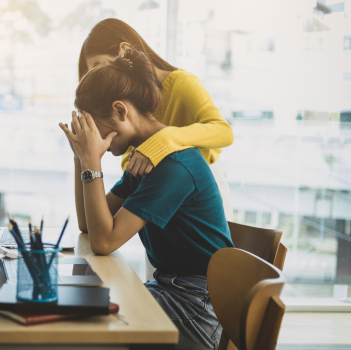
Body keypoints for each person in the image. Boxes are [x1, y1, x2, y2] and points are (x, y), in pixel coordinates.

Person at [59, 48, 234, 350]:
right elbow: (89, 224)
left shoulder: (172, 166)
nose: (92, 135)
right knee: (76, 306)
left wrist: (92, 163)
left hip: (197, 306)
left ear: (120, 111)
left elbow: (104, 242)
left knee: (82, 325)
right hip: (171, 290)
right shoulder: (145, 157)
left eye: (93, 125)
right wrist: (81, 158)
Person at [78, 18, 234, 221]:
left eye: (98, 67)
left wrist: (162, 140)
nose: (98, 79)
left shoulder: (181, 83)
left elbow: (224, 131)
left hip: (199, 195)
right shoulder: (129, 106)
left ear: (124, 51)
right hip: (159, 190)